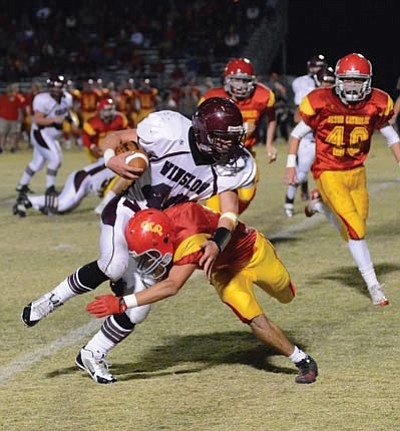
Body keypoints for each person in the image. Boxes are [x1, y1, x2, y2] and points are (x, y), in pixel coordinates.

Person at [21, 97, 257, 351]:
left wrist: (218, 243)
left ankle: (93, 353)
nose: (230, 145)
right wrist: (111, 158)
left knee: (138, 309)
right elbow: (117, 135)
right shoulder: (170, 131)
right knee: (114, 265)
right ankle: (50, 300)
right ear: (201, 132)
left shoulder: (232, 165)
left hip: (159, 232)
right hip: (130, 209)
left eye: (233, 137)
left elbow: (229, 213)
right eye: (222, 137)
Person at [83, 202, 318, 385]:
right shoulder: (162, 220)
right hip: (222, 272)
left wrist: (123, 303)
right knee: (254, 319)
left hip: (253, 253)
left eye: (149, 255)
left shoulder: (190, 240)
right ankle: (302, 360)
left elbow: (172, 285)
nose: (147, 262)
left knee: (286, 295)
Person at [284, 53, 400, 306]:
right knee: (356, 229)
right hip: (328, 170)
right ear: (337, 80)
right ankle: (373, 285)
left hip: (357, 172)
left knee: (356, 230)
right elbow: (296, 133)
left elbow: (392, 137)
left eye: (357, 81)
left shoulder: (377, 102)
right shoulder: (321, 100)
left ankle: (320, 205)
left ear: (367, 82)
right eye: (347, 81)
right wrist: (291, 164)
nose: (352, 86)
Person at [13, 98, 129, 217]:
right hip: (82, 179)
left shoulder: (116, 156)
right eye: (107, 110)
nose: (110, 113)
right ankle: (27, 200)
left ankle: (33, 203)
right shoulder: (113, 161)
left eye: (111, 109)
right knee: (62, 205)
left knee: (63, 207)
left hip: (84, 180)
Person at [199, 57, 278, 213]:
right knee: (214, 209)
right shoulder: (211, 97)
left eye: (244, 81)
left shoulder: (263, 95)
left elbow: (272, 118)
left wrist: (269, 143)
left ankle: (228, 221)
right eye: (235, 80)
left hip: (245, 154)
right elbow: (199, 127)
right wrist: (239, 130)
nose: (240, 86)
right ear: (227, 80)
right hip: (217, 157)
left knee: (246, 197)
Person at [14, 75, 74, 211]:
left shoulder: (67, 98)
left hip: (52, 136)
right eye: (53, 86)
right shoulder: (43, 99)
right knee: (55, 160)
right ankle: (50, 189)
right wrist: (54, 120)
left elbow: (66, 113)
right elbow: (38, 120)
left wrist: (71, 120)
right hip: (41, 133)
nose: (56, 89)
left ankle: (22, 185)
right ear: (49, 87)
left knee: (37, 163)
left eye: (59, 86)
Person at [283, 65, 335, 217]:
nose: (328, 86)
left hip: (327, 142)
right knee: (301, 175)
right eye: (325, 82)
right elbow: (297, 118)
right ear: (317, 82)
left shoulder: (337, 98)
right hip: (309, 141)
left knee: (331, 172)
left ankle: (318, 198)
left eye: (331, 82)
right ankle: (289, 201)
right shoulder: (311, 97)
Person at [0, 83, 26, 153]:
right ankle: (2, 147)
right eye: (8, 91)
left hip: (14, 119)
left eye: (11, 91)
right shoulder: (3, 97)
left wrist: (20, 117)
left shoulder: (18, 97)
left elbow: (20, 109)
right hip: (4, 118)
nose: (9, 92)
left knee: (14, 134)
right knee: (3, 133)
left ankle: (13, 147)